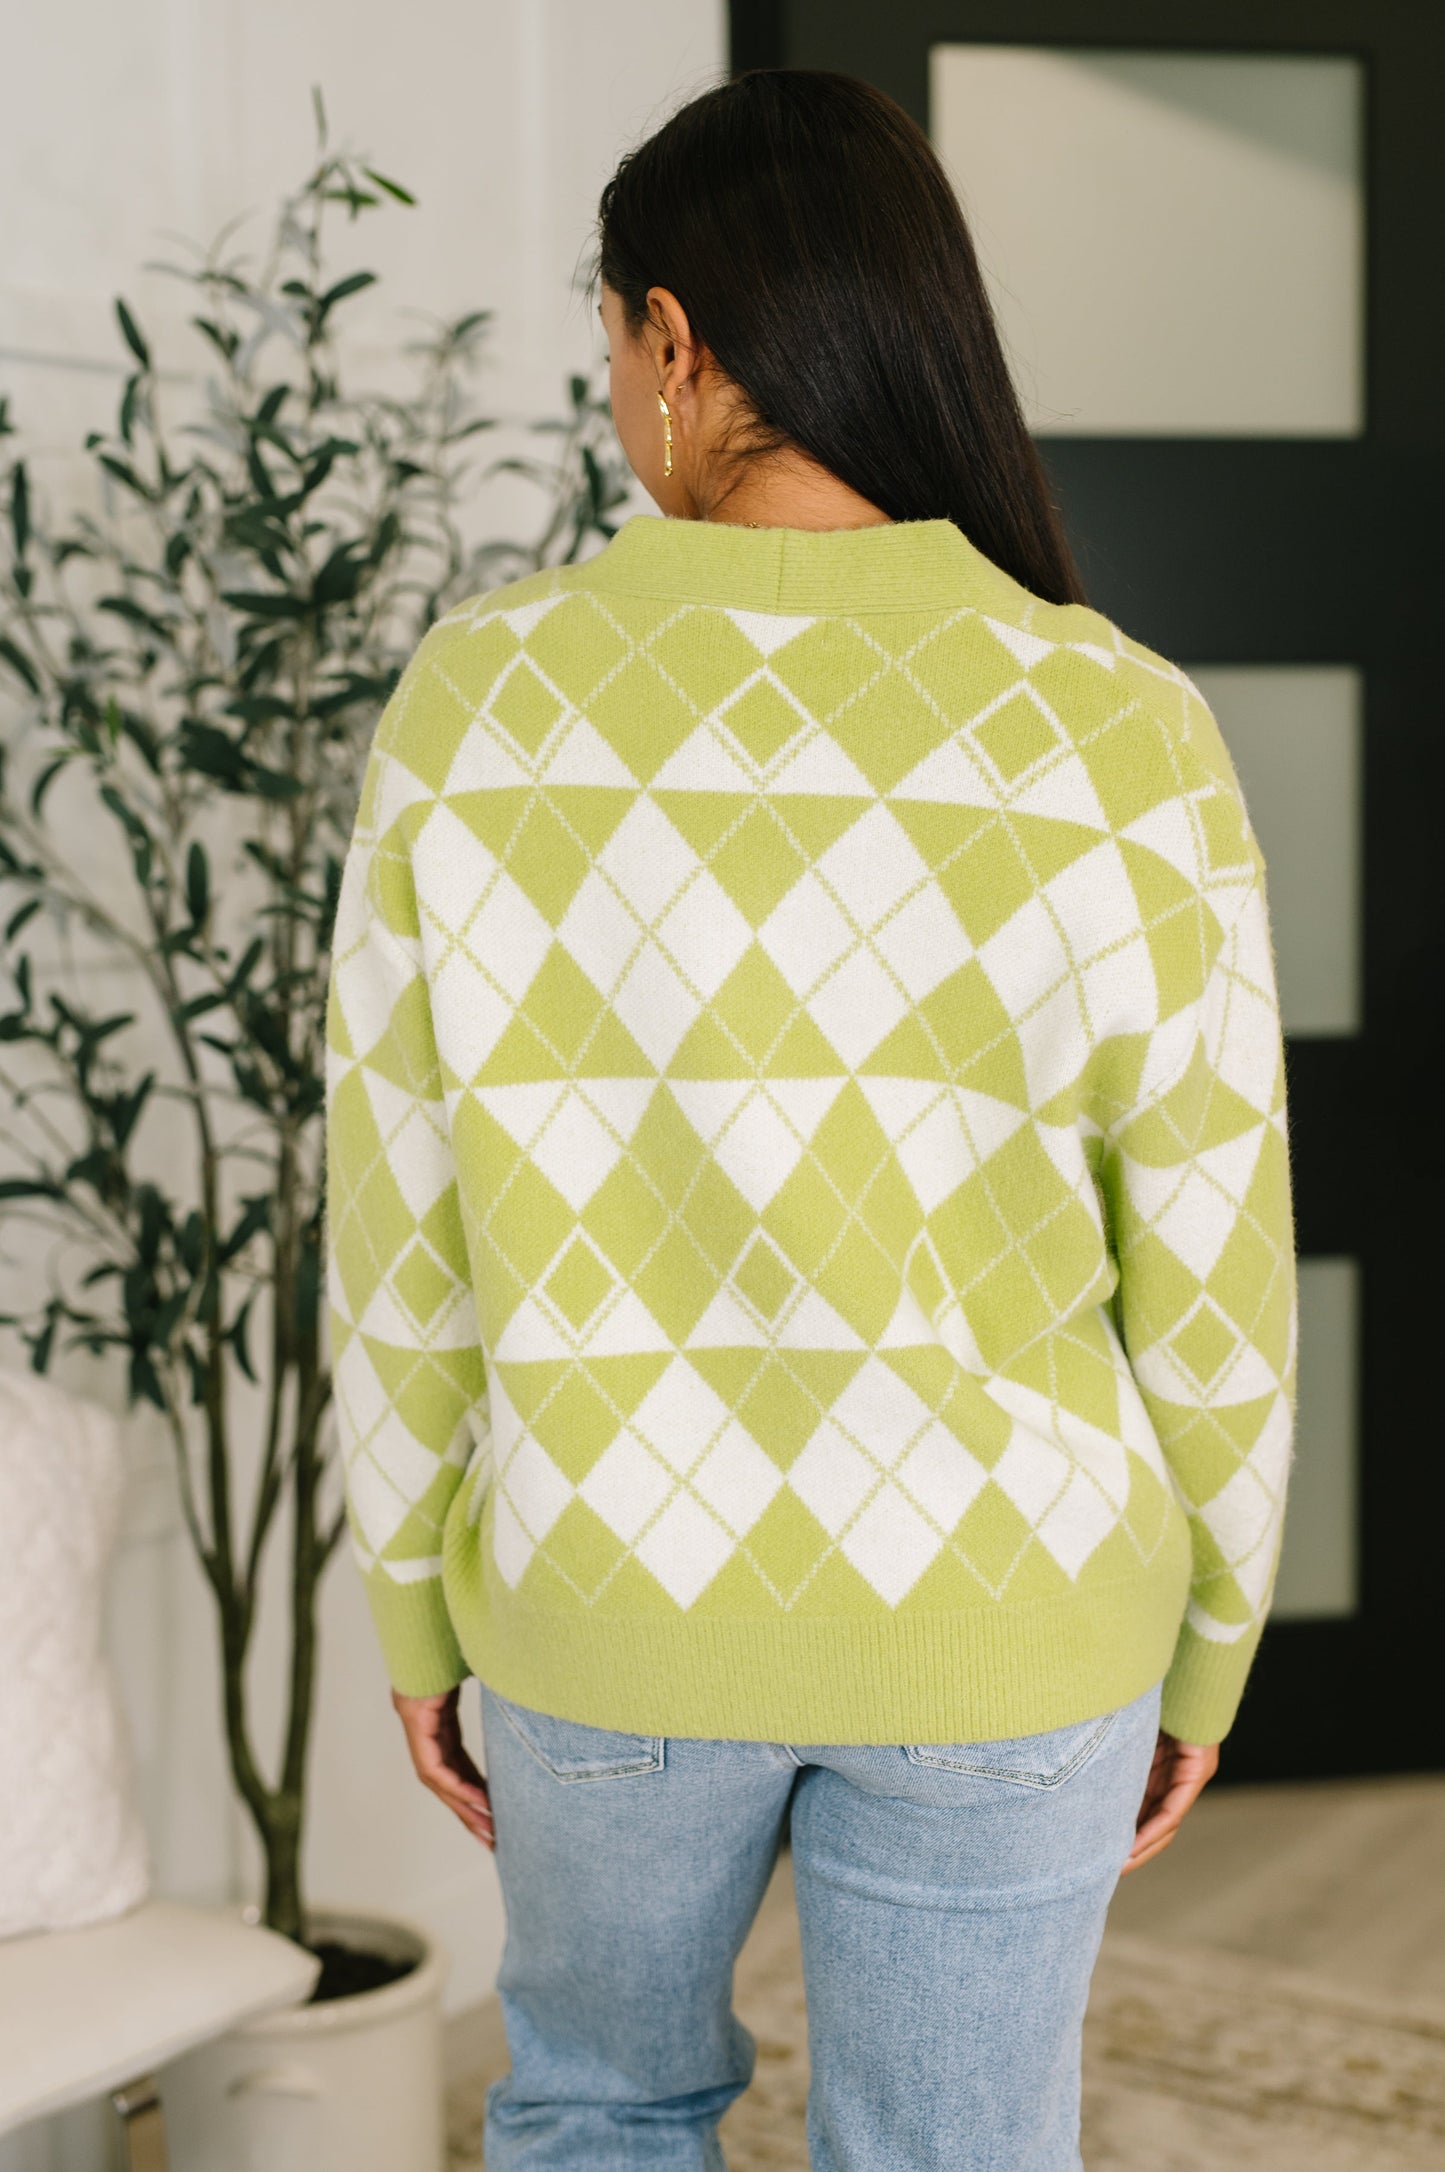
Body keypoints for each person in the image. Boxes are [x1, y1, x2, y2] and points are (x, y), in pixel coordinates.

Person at [324, 67, 1297, 2172]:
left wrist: (414, 1598)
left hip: (602, 1594)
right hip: (1014, 1611)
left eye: (612, 344)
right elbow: (1211, 1254)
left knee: (600, 2114)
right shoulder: (1119, 719)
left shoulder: (476, 706)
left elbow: (397, 1222)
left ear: (672, 340)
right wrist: (1213, 1642)